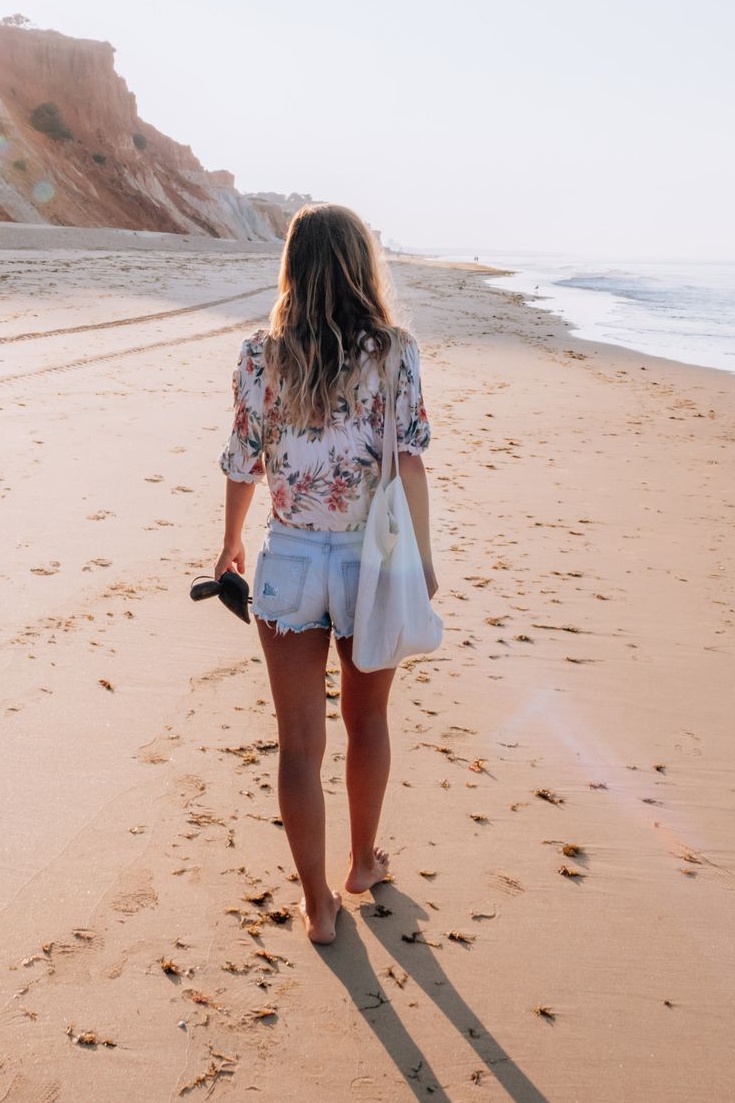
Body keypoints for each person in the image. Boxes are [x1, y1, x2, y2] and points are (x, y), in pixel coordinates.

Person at [214, 203, 437, 945]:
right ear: (359, 264)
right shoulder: (396, 352)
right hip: (371, 562)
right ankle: (362, 863)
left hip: (291, 560)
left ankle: (317, 907)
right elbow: (409, 461)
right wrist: (425, 561)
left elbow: (244, 462)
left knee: (298, 743)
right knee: (367, 719)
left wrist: (229, 545)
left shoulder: (258, 356)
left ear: (293, 268)